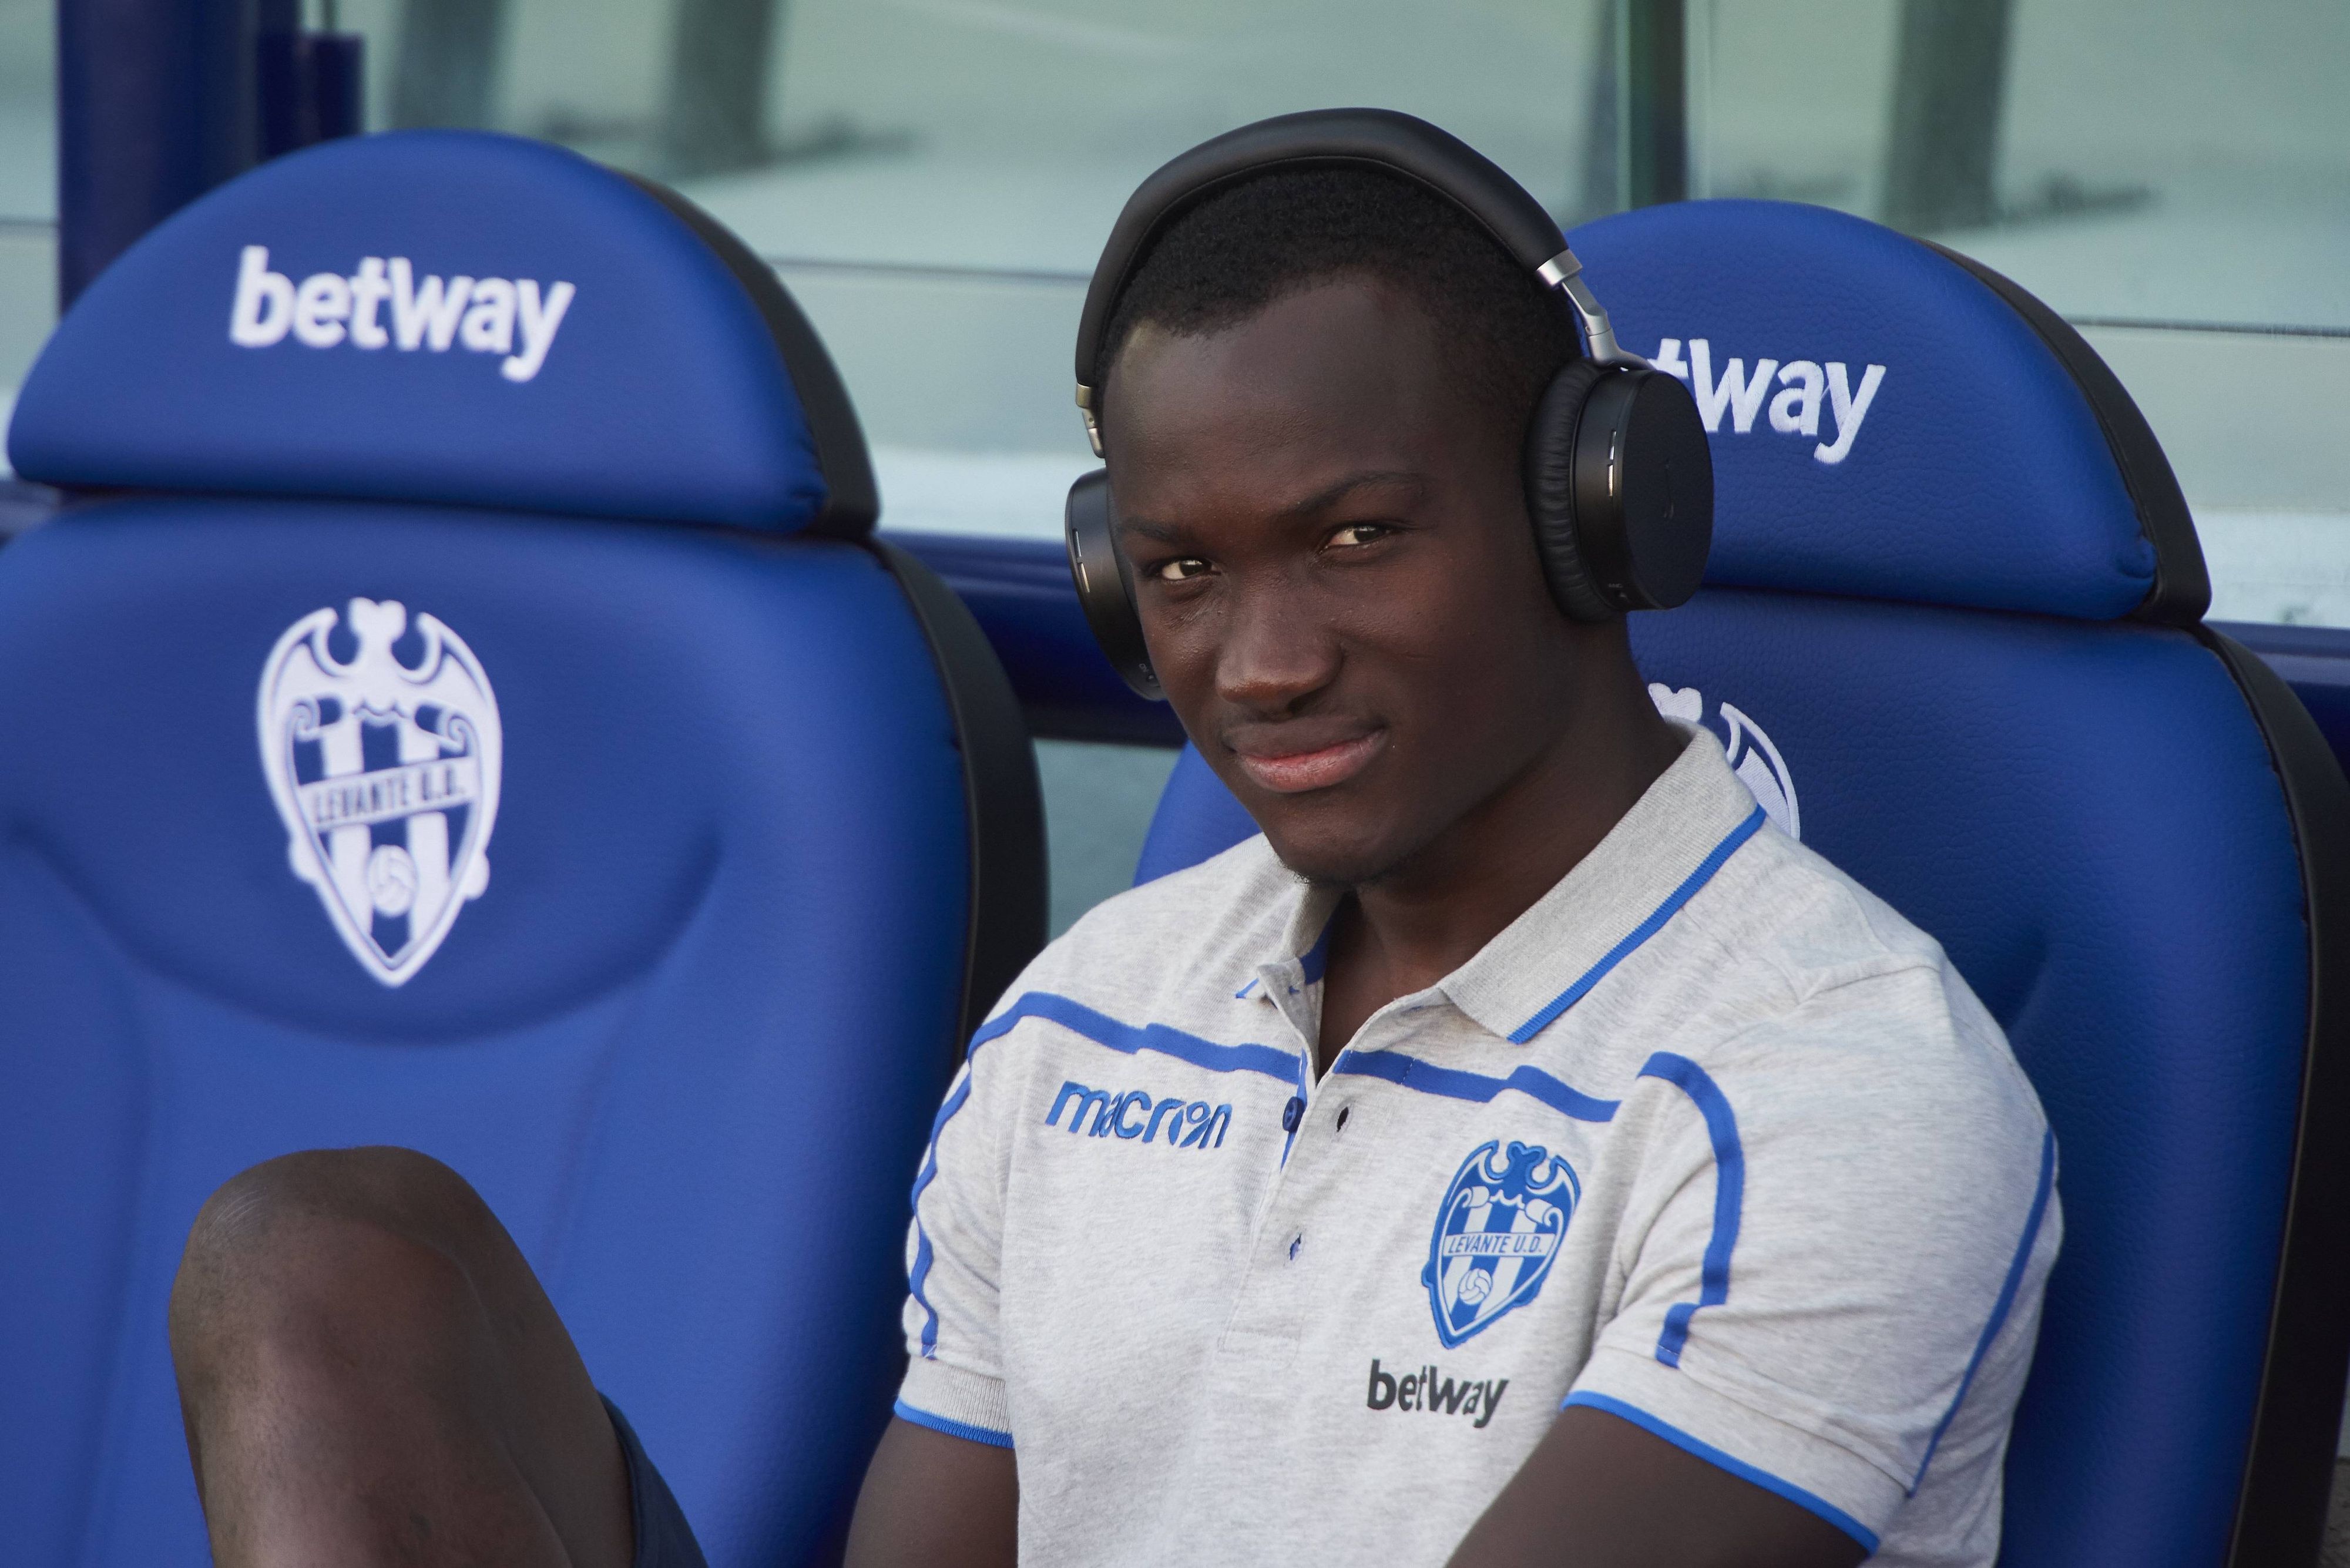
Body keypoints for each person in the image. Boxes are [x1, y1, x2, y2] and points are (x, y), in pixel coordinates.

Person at [168, 122, 2059, 1568]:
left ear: (1593, 517)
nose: (1264, 662)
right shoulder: (1091, 1011)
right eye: (1181, 571)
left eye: (1356, 538)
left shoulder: (1841, 1082)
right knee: (315, 1259)